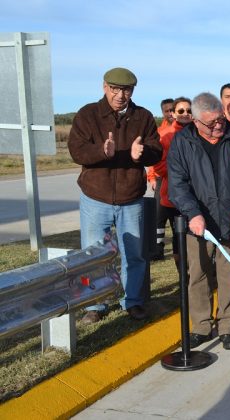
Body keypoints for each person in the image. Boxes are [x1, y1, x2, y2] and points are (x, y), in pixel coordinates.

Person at [168, 92, 230, 350]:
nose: (219, 126)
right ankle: (200, 326)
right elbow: (177, 185)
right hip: (198, 224)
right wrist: (192, 213)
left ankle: (227, 325)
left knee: (228, 275)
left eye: (221, 119)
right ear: (196, 122)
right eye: (211, 123)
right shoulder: (182, 142)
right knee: (197, 275)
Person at [67, 67, 162, 323]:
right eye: (115, 89)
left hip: (131, 199)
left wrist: (140, 154)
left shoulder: (142, 116)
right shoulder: (88, 114)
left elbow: (156, 150)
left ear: (133, 91)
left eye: (126, 90)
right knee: (93, 255)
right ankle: (94, 305)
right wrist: (102, 152)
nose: (120, 95)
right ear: (104, 87)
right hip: (95, 198)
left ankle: (133, 302)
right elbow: (76, 150)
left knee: (135, 255)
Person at [149, 97, 193, 266]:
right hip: (174, 196)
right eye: (180, 111)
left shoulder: (200, 133)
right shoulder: (165, 135)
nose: (185, 114)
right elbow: (159, 166)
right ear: (174, 114)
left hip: (199, 195)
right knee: (179, 239)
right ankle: (184, 279)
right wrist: (184, 174)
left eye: (189, 111)